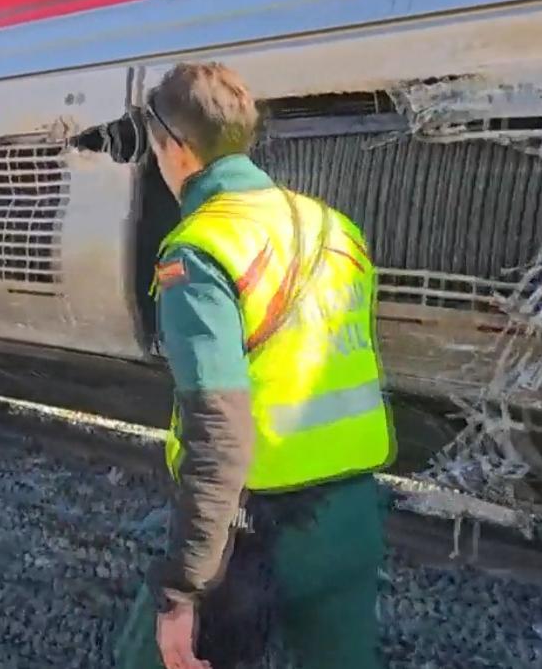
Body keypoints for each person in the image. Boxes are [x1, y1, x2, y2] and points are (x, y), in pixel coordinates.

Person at [113, 62, 396, 669]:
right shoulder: (336, 229)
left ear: (177, 149)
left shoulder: (203, 248)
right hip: (352, 516)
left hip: (257, 531)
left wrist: (182, 589)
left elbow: (217, 436)